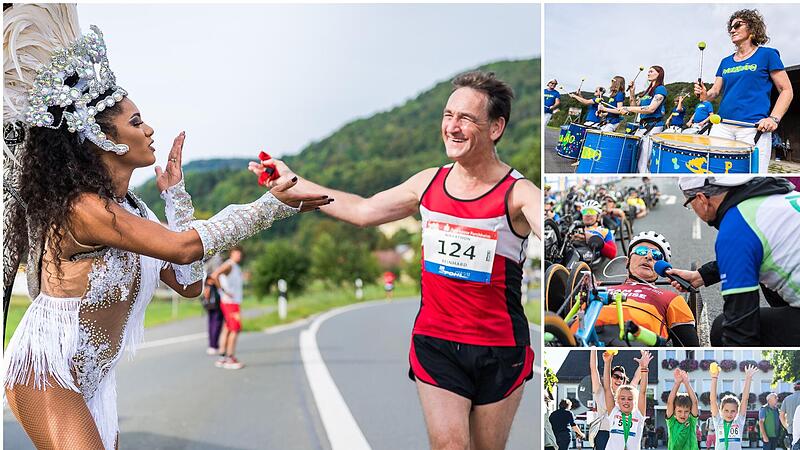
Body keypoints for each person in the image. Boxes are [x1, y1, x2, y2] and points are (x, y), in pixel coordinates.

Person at [1, 6, 330, 449]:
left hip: (97, 379)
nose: (150, 128)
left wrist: (175, 197)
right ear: (102, 138)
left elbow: (189, 283)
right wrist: (270, 207)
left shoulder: (134, 209)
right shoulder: (83, 209)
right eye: (136, 122)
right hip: (47, 368)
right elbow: (183, 249)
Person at [252, 70, 540, 450]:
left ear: (495, 127)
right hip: (436, 341)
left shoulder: (519, 193)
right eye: (447, 115)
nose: (452, 127)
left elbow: (550, 228)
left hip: (500, 347)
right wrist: (293, 181)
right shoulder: (427, 184)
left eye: (466, 118)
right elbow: (363, 210)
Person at [673, 176, 800, 346]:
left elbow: (740, 330)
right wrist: (701, 276)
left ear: (701, 199)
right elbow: (754, 249)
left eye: (689, 204)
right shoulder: (775, 195)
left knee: (722, 328)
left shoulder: (735, 228)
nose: (692, 209)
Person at [694, 9, 793, 173]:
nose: (732, 30)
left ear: (752, 29)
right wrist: (704, 94)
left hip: (752, 128)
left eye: (738, 25)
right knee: (717, 175)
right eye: (730, 28)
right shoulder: (725, 62)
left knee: (753, 179)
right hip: (722, 127)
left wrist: (774, 119)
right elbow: (714, 92)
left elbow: (786, 90)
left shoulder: (767, 55)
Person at [590, 231, 700, 346]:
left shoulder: (671, 299)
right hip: (584, 336)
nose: (648, 256)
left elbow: (690, 352)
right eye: (641, 251)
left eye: (656, 255)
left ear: (662, 269)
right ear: (627, 262)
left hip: (633, 344)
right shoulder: (600, 290)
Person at [610, 66, 668, 173]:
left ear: (659, 74)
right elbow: (635, 107)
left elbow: (651, 109)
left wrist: (627, 108)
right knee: (635, 157)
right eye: (648, 71)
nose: (648, 73)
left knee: (643, 162)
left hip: (653, 126)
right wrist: (632, 92)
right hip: (642, 126)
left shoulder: (660, 89)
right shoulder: (647, 91)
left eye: (651, 71)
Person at [590, 350, 642, 450]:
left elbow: (636, 378)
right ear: (610, 377)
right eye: (616, 376)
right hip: (603, 433)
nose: (618, 380)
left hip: (620, 434)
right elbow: (593, 369)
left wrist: (642, 365)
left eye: (621, 378)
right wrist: (593, 349)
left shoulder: (626, 394)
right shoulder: (600, 390)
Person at [603, 350, 652, 450]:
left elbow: (642, 392)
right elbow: (607, 388)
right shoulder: (614, 411)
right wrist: (607, 363)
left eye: (630, 399)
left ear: (635, 401)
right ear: (617, 400)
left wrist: (644, 368)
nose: (626, 401)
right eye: (623, 398)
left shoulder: (638, 414)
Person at [210, 247, 246, 370]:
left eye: (240, 254)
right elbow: (215, 275)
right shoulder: (229, 265)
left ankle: (222, 356)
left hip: (232, 302)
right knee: (235, 329)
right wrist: (223, 290)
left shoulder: (235, 267)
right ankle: (230, 358)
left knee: (227, 329)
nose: (238, 256)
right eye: (236, 254)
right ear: (231, 254)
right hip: (230, 302)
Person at [710, 364, 758, 450]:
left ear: (737, 412)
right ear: (721, 410)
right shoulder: (718, 420)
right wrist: (714, 378)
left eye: (733, 411)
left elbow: (745, 399)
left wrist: (748, 378)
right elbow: (713, 400)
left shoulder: (739, 421)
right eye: (726, 410)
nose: (729, 413)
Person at [666, 368, 700, 450]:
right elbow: (670, 402)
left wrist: (686, 383)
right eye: (679, 411)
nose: (683, 414)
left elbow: (694, 402)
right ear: (674, 411)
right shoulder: (672, 422)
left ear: (690, 412)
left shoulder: (691, 421)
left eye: (686, 411)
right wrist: (677, 383)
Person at [202, 254, 225, 355]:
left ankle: (212, 344)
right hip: (214, 291)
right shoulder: (216, 259)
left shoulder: (206, 258)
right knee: (217, 319)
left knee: (211, 319)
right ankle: (214, 344)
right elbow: (216, 276)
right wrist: (221, 289)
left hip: (207, 289)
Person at [781, 383, 800, 447]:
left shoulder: (787, 399)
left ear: (794, 388)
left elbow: (781, 416)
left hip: (791, 430)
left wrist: (787, 427)